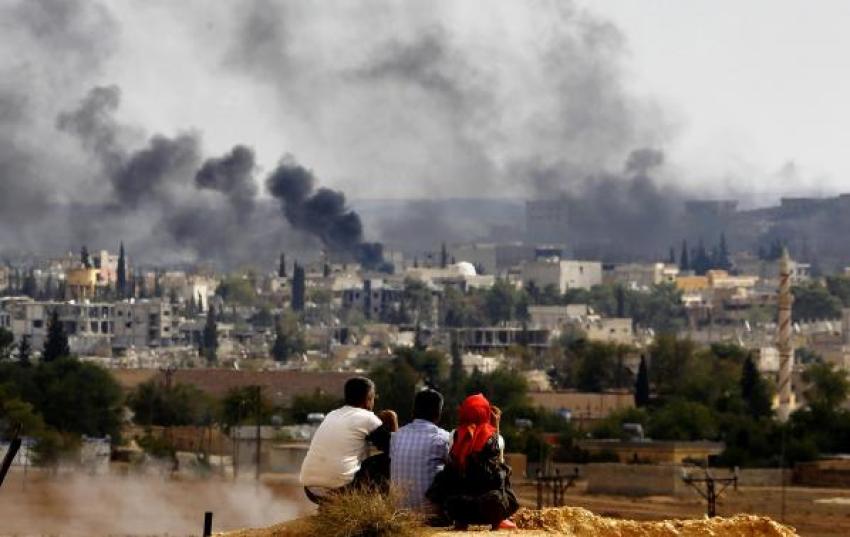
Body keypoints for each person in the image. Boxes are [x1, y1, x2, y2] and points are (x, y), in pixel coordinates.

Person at [426, 394, 519, 531]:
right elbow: (499, 463)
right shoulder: (495, 439)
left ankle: (460, 523)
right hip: (488, 507)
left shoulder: (454, 436)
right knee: (503, 472)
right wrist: (496, 426)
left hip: (459, 507)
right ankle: (498, 521)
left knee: (448, 475)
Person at [300, 377, 398, 503]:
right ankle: (384, 508)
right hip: (340, 489)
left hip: (311, 491)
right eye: (374, 398)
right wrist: (393, 420)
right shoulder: (368, 418)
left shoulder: (332, 414)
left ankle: (330, 507)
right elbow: (396, 450)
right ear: (368, 399)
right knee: (386, 461)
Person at [390, 389, 451, 515]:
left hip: (398, 514)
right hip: (431, 515)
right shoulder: (443, 438)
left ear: (414, 410)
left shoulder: (397, 436)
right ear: (439, 412)